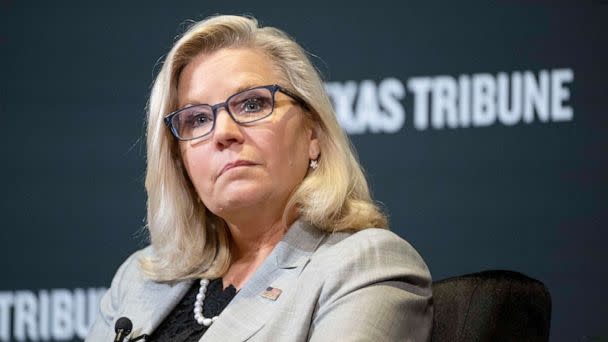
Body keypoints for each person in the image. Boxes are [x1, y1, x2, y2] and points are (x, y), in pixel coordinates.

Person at [86, 14, 433, 342]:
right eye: (197, 119)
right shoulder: (137, 280)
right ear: (180, 162)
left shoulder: (364, 266)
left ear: (312, 134)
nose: (223, 132)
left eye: (252, 104)